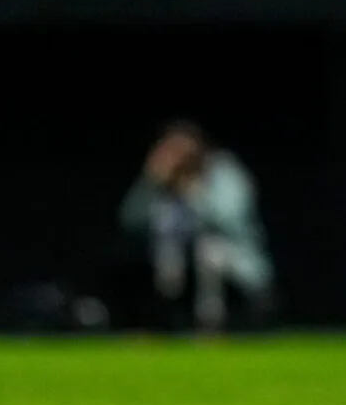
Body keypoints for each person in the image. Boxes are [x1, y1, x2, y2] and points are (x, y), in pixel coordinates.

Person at [113, 120, 275, 332]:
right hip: (177, 271)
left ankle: (211, 325)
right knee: (166, 245)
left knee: (209, 251)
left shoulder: (223, 171)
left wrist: (192, 190)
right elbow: (130, 219)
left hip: (235, 266)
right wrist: (151, 181)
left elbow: (229, 219)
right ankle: (163, 319)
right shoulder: (163, 181)